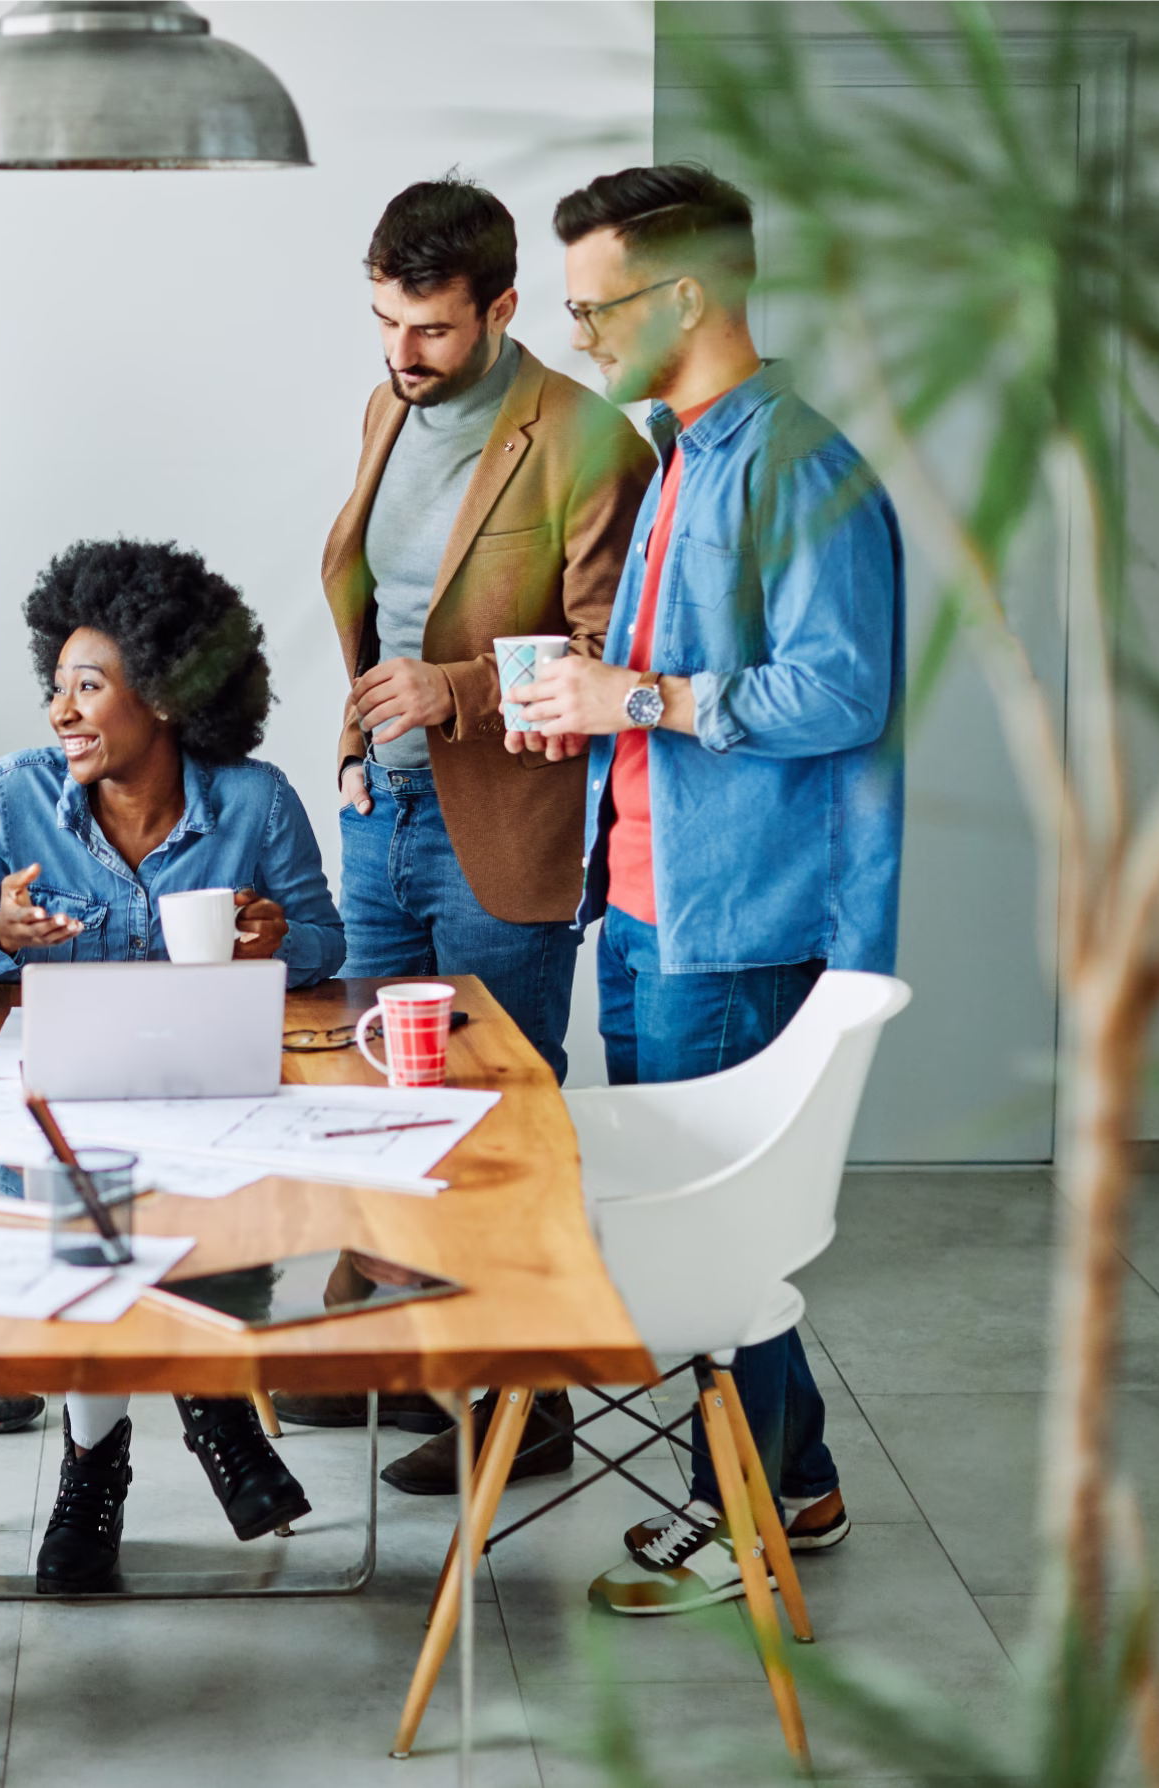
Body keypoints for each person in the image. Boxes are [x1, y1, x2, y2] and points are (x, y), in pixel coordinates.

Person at [517, 164, 904, 1615]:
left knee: (716, 1237)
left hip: (734, 920)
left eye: (593, 307)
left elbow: (841, 687)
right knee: (694, 1222)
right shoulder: (680, 452)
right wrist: (602, 707)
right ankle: (786, 1487)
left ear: (686, 296)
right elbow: (665, 696)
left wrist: (648, 694)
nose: (577, 339)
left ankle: (738, 1507)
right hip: (641, 903)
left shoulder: (798, 463)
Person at [289, 176, 652, 1497]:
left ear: (501, 308)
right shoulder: (388, 404)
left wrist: (459, 692)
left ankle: (527, 1400)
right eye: (384, 321)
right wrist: (359, 738)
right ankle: (400, 1350)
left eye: (431, 329)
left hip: (502, 825)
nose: (400, 353)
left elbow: (614, 651)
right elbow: (381, 597)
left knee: (497, 1114)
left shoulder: (587, 439)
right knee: (383, 1101)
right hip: (381, 807)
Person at [0, 538, 344, 1594]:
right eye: (57, 687)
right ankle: (191, 1420)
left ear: (171, 694)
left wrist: (279, 933)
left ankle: (104, 1460)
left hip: (211, 1112)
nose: (62, 712)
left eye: (89, 687)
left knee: (167, 1198)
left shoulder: (257, 803)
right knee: (90, 1198)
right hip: (64, 1126)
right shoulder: (14, 801)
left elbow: (327, 947)